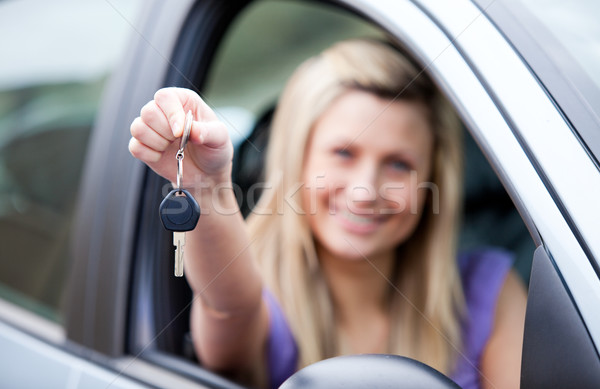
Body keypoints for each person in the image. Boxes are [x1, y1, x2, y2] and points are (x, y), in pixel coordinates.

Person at [128, 39, 528, 389]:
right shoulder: (264, 305)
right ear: (296, 159)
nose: (364, 191)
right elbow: (227, 306)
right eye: (343, 153)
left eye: (399, 164)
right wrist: (206, 184)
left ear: (433, 177)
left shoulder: (489, 293)